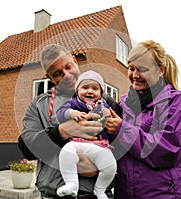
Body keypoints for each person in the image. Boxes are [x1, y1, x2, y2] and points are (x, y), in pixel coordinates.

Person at [21, 44, 120, 199]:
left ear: (75, 61)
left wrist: (101, 166)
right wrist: (61, 132)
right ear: (49, 77)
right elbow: (26, 147)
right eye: (58, 73)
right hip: (53, 194)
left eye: (68, 66)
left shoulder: (106, 101)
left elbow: (125, 144)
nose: (66, 75)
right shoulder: (39, 104)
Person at [106, 40, 181, 198]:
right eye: (131, 68)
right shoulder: (125, 105)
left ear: (161, 70)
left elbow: (170, 150)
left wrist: (121, 130)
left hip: (165, 194)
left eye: (142, 69)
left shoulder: (176, 103)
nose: (135, 75)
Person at [56, 70, 117, 199]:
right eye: (85, 87)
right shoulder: (73, 103)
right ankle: (72, 184)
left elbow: (110, 120)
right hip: (77, 143)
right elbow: (60, 112)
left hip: (99, 145)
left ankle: (100, 190)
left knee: (110, 166)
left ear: (101, 93)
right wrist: (71, 113)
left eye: (95, 89)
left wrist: (106, 114)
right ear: (77, 90)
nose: (90, 91)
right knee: (66, 153)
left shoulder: (103, 105)